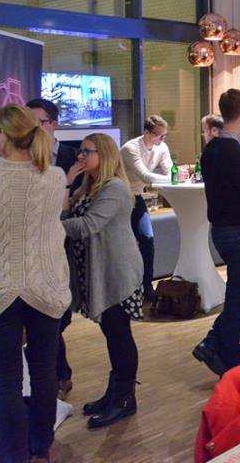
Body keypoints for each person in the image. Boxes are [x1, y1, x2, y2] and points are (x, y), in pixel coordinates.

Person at [0, 105, 70, 463]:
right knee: (44, 375)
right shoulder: (54, 176)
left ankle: (15, 456)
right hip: (45, 286)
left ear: (4, 135)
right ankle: (42, 450)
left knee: (7, 383)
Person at [61, 134, 143, 428]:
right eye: (80, 151)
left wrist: (51, 225)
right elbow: (66, 214)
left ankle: (124, 398)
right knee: (112, 332)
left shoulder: (115, 188)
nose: (80, 156)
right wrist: (67, 184)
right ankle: (115, 393)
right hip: (98, 271)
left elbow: (86, 225)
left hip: (116, 273)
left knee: (118, 332)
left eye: (87, 151)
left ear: (104, 154)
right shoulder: (89, 187)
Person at [193, 90, 240, 376]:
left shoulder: (210, 150)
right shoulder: (236, 153)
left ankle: (215, 343)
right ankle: (225, 353)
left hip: (221, 231)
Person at [26, 97, 79, 399]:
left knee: (59, 316)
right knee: (47, 317)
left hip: (69, 246)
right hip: (37, 250)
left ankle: (56, 375)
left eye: (39, 122)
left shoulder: (74, 157)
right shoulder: (24, 160)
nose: (32, 129)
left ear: (53, 124)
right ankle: (57, 375)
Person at [120, 114, 174, 302]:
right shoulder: (130, 148)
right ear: (146, 132)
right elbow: (145, 176)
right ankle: (126, 290)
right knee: (124, 244)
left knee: (148, 239)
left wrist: (173, 175)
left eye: (165, 135)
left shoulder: (162, 147)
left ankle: (146, 286)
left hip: (136, 196)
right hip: (119, 197)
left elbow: (170, 169)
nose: (162, 139)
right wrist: (172, 177)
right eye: (159, 135)